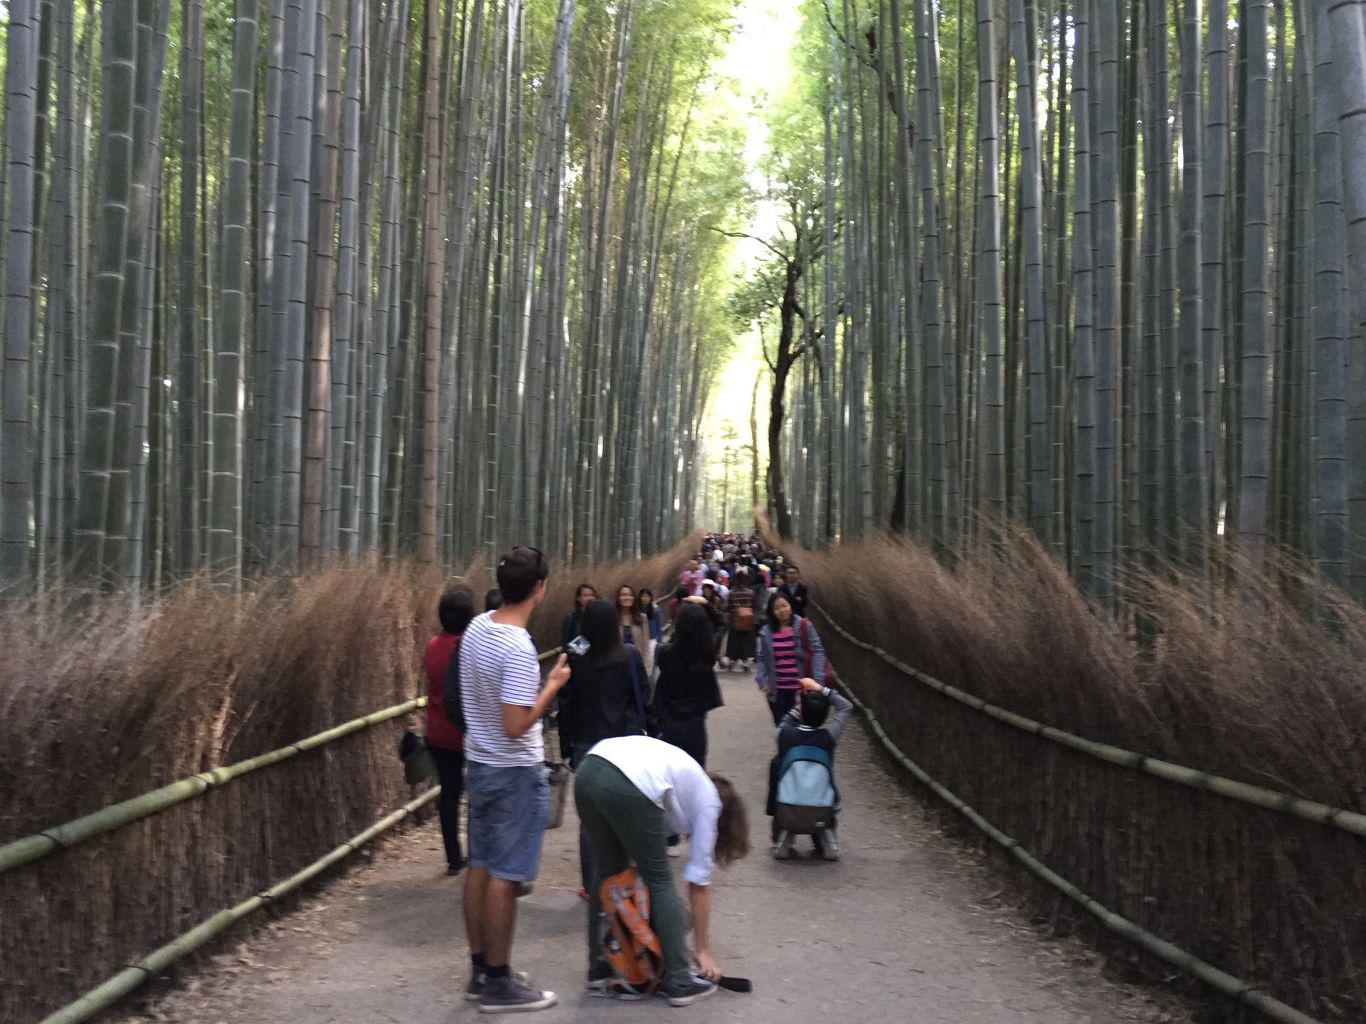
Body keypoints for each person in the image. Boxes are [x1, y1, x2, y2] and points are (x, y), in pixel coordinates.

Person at [460, 546, 572, 1012]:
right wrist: (552, 685)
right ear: (539, 588)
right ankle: (500, 985)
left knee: (480, 866)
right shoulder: (517, 646)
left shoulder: (477, 626)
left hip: (480, 764)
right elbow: (515, 724)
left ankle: (481, 971)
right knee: (505, 874)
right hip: (512, 771)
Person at [575, 735, 751, 1005]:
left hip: (588, 771)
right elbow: (698, 883)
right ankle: (680, 980)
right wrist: (701, 950)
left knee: (608, 874)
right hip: (626, 781)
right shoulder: (709, 804)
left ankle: (599, 970)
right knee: (660, 878)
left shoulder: (683, 782)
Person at [559, 597, 650, 903]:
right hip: (624, 743)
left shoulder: (576, 654)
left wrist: (566, 745)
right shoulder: (627, 654)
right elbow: (643, 696)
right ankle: (622, 879)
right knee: (623, 810)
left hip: (587, 743)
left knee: (589, 818)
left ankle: (591, 884)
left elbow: (567, 703)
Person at [770, 677, 853, 860]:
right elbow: (846, 707)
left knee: (777, 771)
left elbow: (783, 724)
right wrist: (821, 689)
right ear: (825, 715)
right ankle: (827, 840)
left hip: (788, 810)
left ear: (801, 711)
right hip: (821, 810)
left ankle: (781, 838)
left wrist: (798, 706)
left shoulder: (784, 736)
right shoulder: (829, 737)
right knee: (823, 796)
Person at [425, 585, 476, 875]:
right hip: (467, 732)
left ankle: (453, 858)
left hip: (438, 731)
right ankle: (476, 854)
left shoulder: (432, 645)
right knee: (476, 794)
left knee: (449, 794)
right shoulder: (470, 647)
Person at [651, 603, 724, 767]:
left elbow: (672, 644)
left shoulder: (664, 654)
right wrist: (707, 605)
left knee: (669, 770)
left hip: (668, 721)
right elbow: (722, 623)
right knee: (696, 770)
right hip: (696, 723)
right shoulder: (707, 655)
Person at [755, 593, 825, 726]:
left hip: (801, 689)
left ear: (790, 606)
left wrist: (817, 682)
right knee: (782, 729)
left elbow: (817, 651)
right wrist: (762, 679)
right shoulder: (766, 632)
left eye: (784, 605)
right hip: (777, 691)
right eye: (777, 608)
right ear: (771, 611)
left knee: (803, 728)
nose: (782, 610)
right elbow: (762, 657)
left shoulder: (804, 626)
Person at [615, 584, 653, 676]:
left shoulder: (641, 618)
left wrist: (646, 670)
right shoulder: (613, 618)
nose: (627, 597)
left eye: (630, 595)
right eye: (623, 595)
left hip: (637, 665)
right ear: (618, 598)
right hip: (618, 666)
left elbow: (646, 646)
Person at [722, 569, 757, 672]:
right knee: (746, 640)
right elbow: (753, 605)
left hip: (735, 619)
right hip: (748, 619)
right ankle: (745, 660)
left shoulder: (732, 593)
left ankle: (733, 659)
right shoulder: (750, 592)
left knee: (734, 641)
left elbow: (728, 606)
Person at [561, 583, 597, 649]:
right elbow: (566, 645)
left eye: (592, 595)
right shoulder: (571, 618)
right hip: (579, 656)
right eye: (586, 595)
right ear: (578, 598)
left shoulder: (598, 616)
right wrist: (587, 643)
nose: (590, 598)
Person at [638, 588, 663, 659]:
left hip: (652, 638)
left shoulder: (655, 609)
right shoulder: (637, 609)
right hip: (640, 638)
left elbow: (659, 625)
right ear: (640, 597)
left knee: (650, 658)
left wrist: (659, 641)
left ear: (650, 597)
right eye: (644, 596)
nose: (646, 599)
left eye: (648, 596)